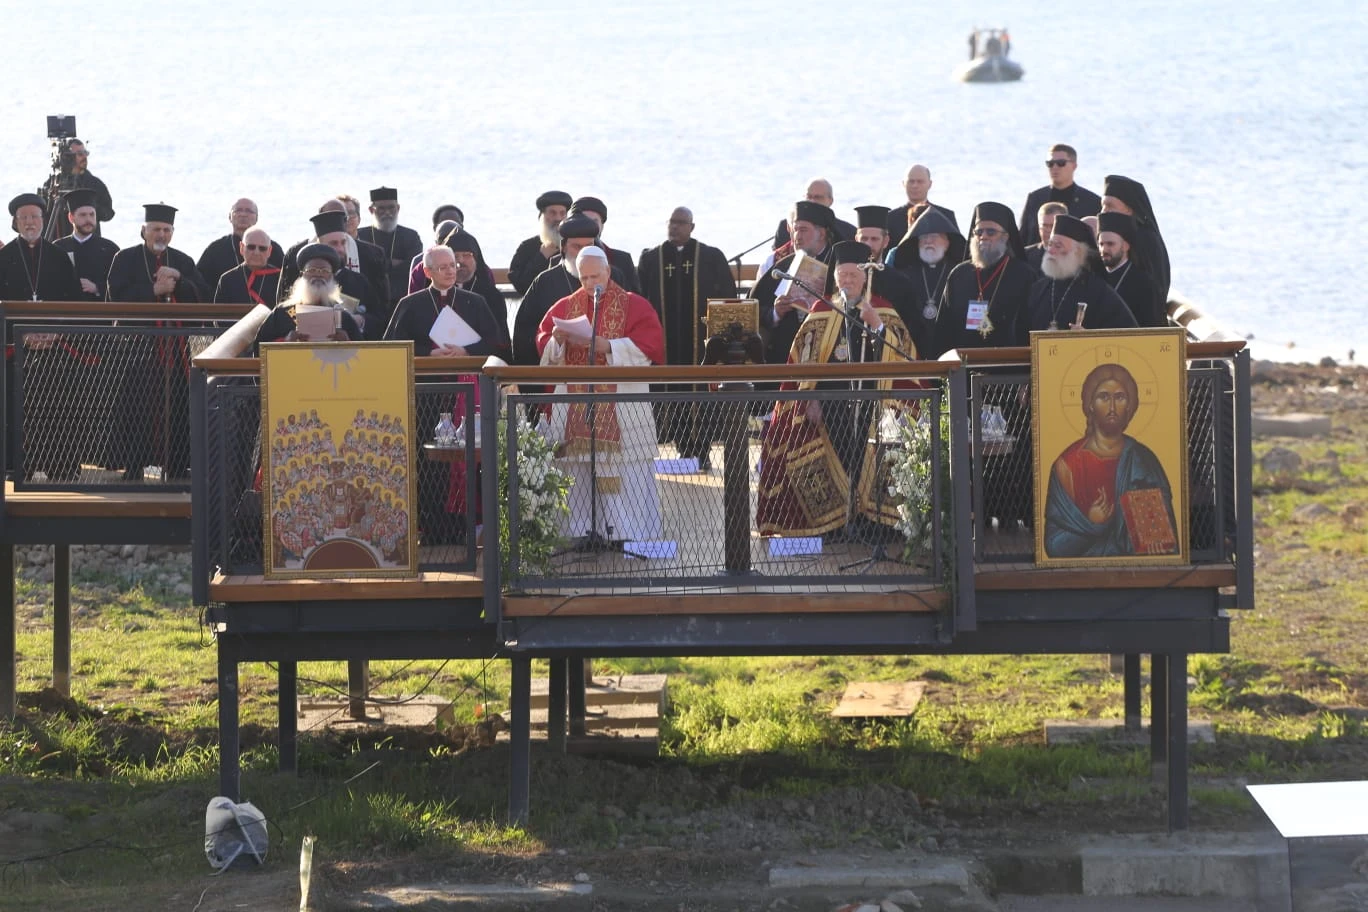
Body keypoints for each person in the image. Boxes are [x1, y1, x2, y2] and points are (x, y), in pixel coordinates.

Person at [755, 240, 918, 538]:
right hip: (830, 409)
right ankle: (836, 524)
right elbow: (804, 364)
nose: (847, 282)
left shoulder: (882, 309)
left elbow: (904, 358)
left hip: (874, 407)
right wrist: (810, 399)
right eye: (842, 277)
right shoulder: (822, 310)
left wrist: (878, 328)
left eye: (853, 277)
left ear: (865, 278)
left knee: (866, 460)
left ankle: (873, 523)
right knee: (836, 463)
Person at [537, 245, 665, 544]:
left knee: (623, 474)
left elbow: (650, 348)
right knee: (576, 472)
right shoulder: (565, 305)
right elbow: (546, 348)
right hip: (575, 407)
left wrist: (607, 346)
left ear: (608, 271)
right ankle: (578, 533)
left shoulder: (635, 305)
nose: (590, 283)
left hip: (621, 408)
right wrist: (556, 340)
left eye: (596, 276)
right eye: (584, 278)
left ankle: (627, 533)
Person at [385, 245, 502, 544]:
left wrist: (467, 351)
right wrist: (427, 354)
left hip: (468, 396)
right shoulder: (410, 304)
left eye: (453, 265)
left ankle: (469, 526)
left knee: (469, 463)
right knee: (428, 463)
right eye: (443, 267)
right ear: (427, 272)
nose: (451, 270)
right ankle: (432, 528)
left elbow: (498, 344)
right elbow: (390, 347)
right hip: (427, 396)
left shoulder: (475, 302)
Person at [105, 203, 210, 481]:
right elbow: (116, 295)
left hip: (175, 350)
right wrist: (153, 290)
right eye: (155, 229)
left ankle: (175, 465)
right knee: (134, 407)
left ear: (172, 233)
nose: (161, 234)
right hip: (137, 347)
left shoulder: (183, 260)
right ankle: (134, 464)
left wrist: (178, 281)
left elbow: (202, 295)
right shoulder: (124, 258)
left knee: (177, 405)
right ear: (144, 231)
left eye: (166, 229)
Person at [637, 206, 738, 468]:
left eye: (681, 223)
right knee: (671, 395)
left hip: (700, 347)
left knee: (700, 397)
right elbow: (639, 300)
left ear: (692, 227)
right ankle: (679, 451)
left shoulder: (710, 257)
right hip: (666, 346)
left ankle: (702, 451)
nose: (675, 227)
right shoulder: (651, 259)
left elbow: (728, 299)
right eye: (672, 222)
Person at [1045, 362, 1178, 558]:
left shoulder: (1143, 460)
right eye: (1104, 397)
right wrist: (1093, 524)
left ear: (1129, 406)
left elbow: (1162, 536)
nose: (1113, 407)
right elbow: (1054, 546)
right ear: (1090, 404)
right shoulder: (1068, 465)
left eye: (1120, 397)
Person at [511, 214, 632, 367]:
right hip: (564, 377)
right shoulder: (545, 282)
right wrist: (555, 342)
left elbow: (632, 323)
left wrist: (609, 345)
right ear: (563, 247)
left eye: (589, 246)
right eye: (577, 247)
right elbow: (525, 335)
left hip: (611, 372)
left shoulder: (614, 276)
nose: (583, 253)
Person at [930, 202, 1034, 357]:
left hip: (1010, 369)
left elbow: (1029, 328)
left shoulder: (1024, 275)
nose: (983, 237)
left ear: (1006, 237)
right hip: (962, 370)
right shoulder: (959, 274)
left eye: (991, 232)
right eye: (979, 232)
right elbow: (944, 328)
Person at [750, 200, 839, 366]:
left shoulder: (839, 266)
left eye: (804, 229)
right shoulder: (782, 264)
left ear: (822, 234)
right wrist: (776, 313)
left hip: (827, 354)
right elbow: (755, 308)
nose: (797, 236)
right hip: (784, 355)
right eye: (795, 229)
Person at [1022, 215, 1137, 332]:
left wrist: (1087, 338)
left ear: (1078, 252)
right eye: (1050, 244)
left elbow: (1126, 338)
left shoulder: (1099, 292)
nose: (1050, 251)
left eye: (1058, 246)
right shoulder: (1038, 290)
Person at [279, 209, 384, 337]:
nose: (340, 249)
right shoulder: (301, 282)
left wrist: (360, 321)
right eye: (334, 243)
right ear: (320, 244)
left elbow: (380, 321)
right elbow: (270, 335)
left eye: (343, 242)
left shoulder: (359, 281)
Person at [888, 207, 965, 358]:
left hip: (951, 349)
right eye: (923, 237)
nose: (928, 241)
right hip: (913, 349)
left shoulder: (959, 273)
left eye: (935, 236)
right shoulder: (905, 275)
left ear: (947, 242)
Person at [255, 243, 363, 346]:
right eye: (311, 270)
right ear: (302, 275)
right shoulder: (283, 313)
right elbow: (260, 349)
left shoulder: (341, 316)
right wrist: (285, 342)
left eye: (324, 271)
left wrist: (347, 342)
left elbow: (362, 354)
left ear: (332, 277)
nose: (318, 275)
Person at [1101, 175, 1170, 321]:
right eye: (1102, 205)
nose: (1104, 211)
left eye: (1110, 206)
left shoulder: (1145, 239)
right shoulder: (1113, 235)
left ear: (1129, 209)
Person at [1018, 145, 1104, 248]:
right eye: (1050, 164)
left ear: (1074, 166)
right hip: (1036, 261)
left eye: (1060, 163)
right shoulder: (1035, 198)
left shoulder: (1092, 202)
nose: (1054, 167)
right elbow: (1022, 238)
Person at [0, 194, 82, 302]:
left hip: (52, 317)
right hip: (13, 318)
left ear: (43, 220)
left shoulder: (59, 256)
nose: (29, 222)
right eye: (24, 217)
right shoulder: (4, 256)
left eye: (34, 216)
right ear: (15, 222)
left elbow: (73, 295)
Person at [358, 187, 424, 307]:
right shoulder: (361, 235)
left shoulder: (411, 236)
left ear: (398, 208)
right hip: (370, 300)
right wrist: (392, 264)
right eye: (381, 208)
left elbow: (413, 266)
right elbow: (361, 267)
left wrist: (377, 265)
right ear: (371, 210)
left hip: (402, 299)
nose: (387, 212)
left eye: (391, 207)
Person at [197, 199, 284, 288]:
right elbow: (200, 285)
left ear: (256, 219)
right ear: (230, 217)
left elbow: (285, 281)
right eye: (238, 210)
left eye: (249, 211)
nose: (243, 214)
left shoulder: (271, 248)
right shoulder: (215, 250)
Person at [1097, 211, 1163, 327]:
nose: (1104, 250)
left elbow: (1151, 327)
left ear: (1126, 246)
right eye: (1101, 244)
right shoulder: (1095, 278)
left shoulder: (1144, 283)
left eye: (1110, 244)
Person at [39, 138, 114, 240]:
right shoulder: (52, 184)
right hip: (57, 241)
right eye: (79, 154)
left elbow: (108, 213)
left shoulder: (94, 184)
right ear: (67, 158)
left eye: (85, 153)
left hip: (88, 242)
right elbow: (42, 215)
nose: (84, 157)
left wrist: (89, 207)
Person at [52, 188, 119, 300]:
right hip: (67, 312)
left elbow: (119, 285)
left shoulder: (110, 249)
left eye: (92, 214)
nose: (88, 220)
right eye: (83, 215)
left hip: (100, 314)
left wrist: (97, 288)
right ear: (71, 217)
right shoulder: (58, 248)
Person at [567, 196, 641, 293]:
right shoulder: (559, 261)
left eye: (594, 222)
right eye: (584, 221)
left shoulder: (622, 260)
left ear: (602, 226)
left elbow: (634, 299)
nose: (588, 227)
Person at [508, 191, 573, 295]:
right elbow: (521, 286)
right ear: (542, 216)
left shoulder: (576, 244)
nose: (558, 218)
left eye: (562, 213)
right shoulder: (527, 247)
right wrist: (541, 257)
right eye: (552, 213)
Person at [773, 179, 857, 250]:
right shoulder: (786, 226)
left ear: (830, 201)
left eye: (818, 197)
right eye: (809, 197)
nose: (812, 201)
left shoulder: (848, 231)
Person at [885, 165, 958, 243]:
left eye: (920, 181)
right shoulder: (890, 219)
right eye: (911, 181)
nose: (915, 186)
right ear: (903, 184)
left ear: (930, 184)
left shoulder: (946, 216)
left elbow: (958, 249)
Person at [214, 227, 283, 305]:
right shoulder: (227, 280)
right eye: (251, 247)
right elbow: (219, 314)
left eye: (262, 248)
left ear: (269, 251)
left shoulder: (281, 279)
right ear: (242, 248)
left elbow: (292, 311)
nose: (256, 252)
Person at [1023, 201, 1067, 272]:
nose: (1049, 230)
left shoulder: (1072, 258)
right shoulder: (1025, 255)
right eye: (1044, 226)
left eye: (1053, 226)